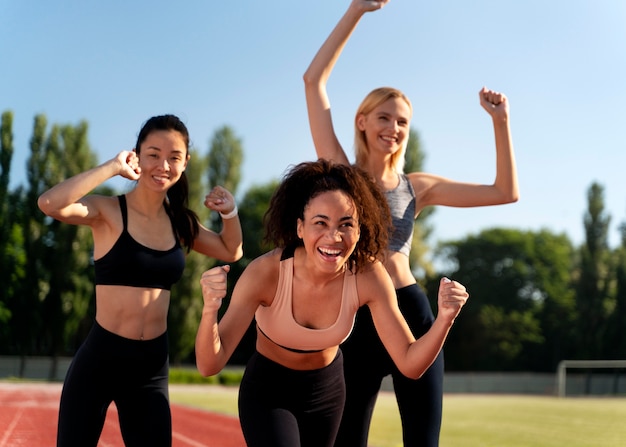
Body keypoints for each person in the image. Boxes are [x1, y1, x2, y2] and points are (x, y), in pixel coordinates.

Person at [303, 1, 519, 446]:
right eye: (384, 117)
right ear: (362, 121)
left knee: (423, 439)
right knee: (346, 439)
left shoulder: (417, 186)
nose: (393, 128)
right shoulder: (342, 174)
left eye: (402, 121)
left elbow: (504, 191)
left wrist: (501, 123)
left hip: (412, 312)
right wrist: (357, 10)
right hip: (357, 317)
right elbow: (313, 81)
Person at [195, 159, 469, 447]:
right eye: (320, 223)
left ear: (360, 230)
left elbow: (410, 364)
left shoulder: (369, 275)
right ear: (300, 227)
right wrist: (210, 309)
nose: (333, 237)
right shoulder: (266, 273)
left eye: (345, 224)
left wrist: (444, 319)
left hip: (327, 392)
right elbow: (209, 364)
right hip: (269, 390)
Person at [37, 114, 243, 447]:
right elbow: (49, 203)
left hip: (150, 367)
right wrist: (111, 167)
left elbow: (231, 250)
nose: (163, 165)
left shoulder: (181, 223)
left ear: (185, 162)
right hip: (101, 360)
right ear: (137, 155)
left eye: (174, 157)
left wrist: (230, 213)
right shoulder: (108, 211)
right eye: (153, 154)